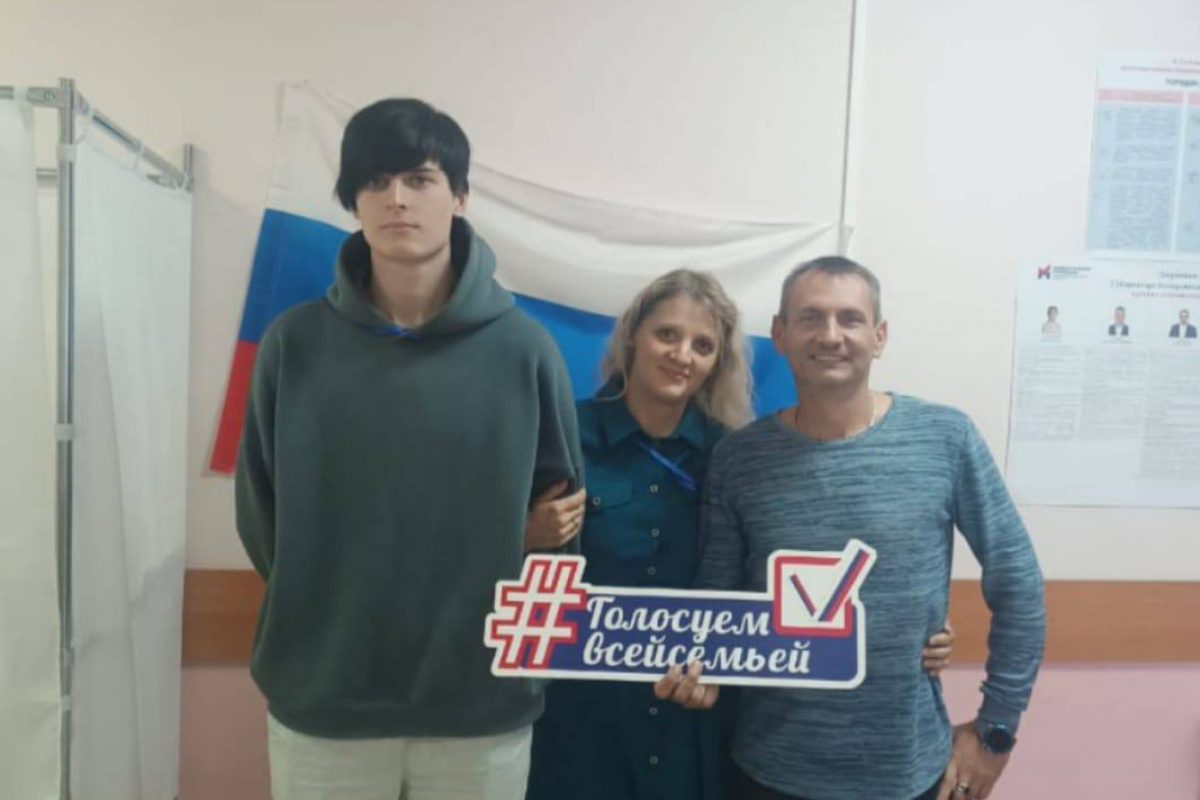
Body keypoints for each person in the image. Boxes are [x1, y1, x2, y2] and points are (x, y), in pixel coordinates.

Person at [236, 98, 583, 800]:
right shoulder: (293, 346)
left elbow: (559, 538)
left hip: (481, 701)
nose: (396, 199)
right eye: (375, 181)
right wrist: (332, 601)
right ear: (353, 201)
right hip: (327, 698)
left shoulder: (525, 351)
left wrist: (505, 558)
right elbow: (262, 516)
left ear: (459, 195)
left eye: (420, 179)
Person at [525, 269, 957, 800]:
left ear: (717, 363)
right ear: (633, 335)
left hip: (695, 717)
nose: (682, 355)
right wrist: (524, 537)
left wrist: (918, 625)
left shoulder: (734, 456)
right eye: (667, 334)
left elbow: (783, 574)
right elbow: (487, 569)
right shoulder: (562, 435)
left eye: (702, 345)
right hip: (582, 717)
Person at [656, 256, 1045, 800]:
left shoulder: (945, 439)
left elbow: (1019, 582)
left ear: (879, 336)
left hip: (907, 777)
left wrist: (995, 732)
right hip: (766, 773)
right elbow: (718, 603)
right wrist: (699, 668)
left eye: (850, 319)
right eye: (811, 318)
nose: (831, 335)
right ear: (780, 334)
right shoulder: (739, 459)